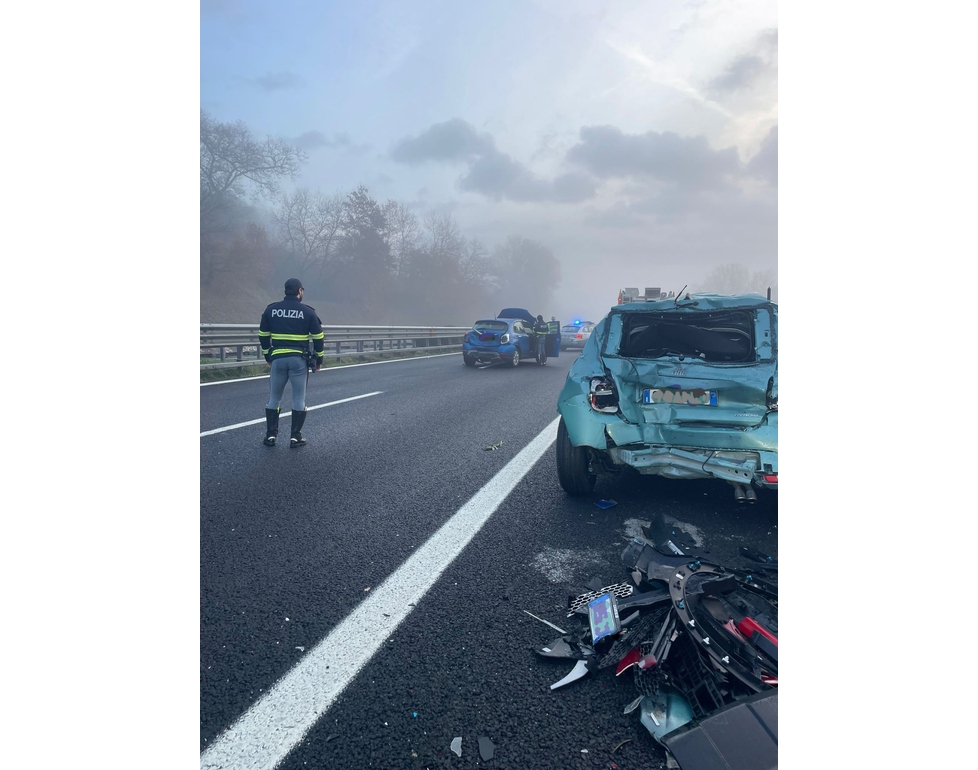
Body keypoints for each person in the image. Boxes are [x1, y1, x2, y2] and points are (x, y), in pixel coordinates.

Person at [258, 278, 325, 447]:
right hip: (298, 361)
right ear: (300, 291)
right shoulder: (308, 312)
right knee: (298, 398)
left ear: (285, 290)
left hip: (278, 359)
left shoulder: (271, 310)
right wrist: (319, 360)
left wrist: (268, 356)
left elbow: (263, 335)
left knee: (274, 397)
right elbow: (318, 338)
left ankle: (270, 436)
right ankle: (295, 437)